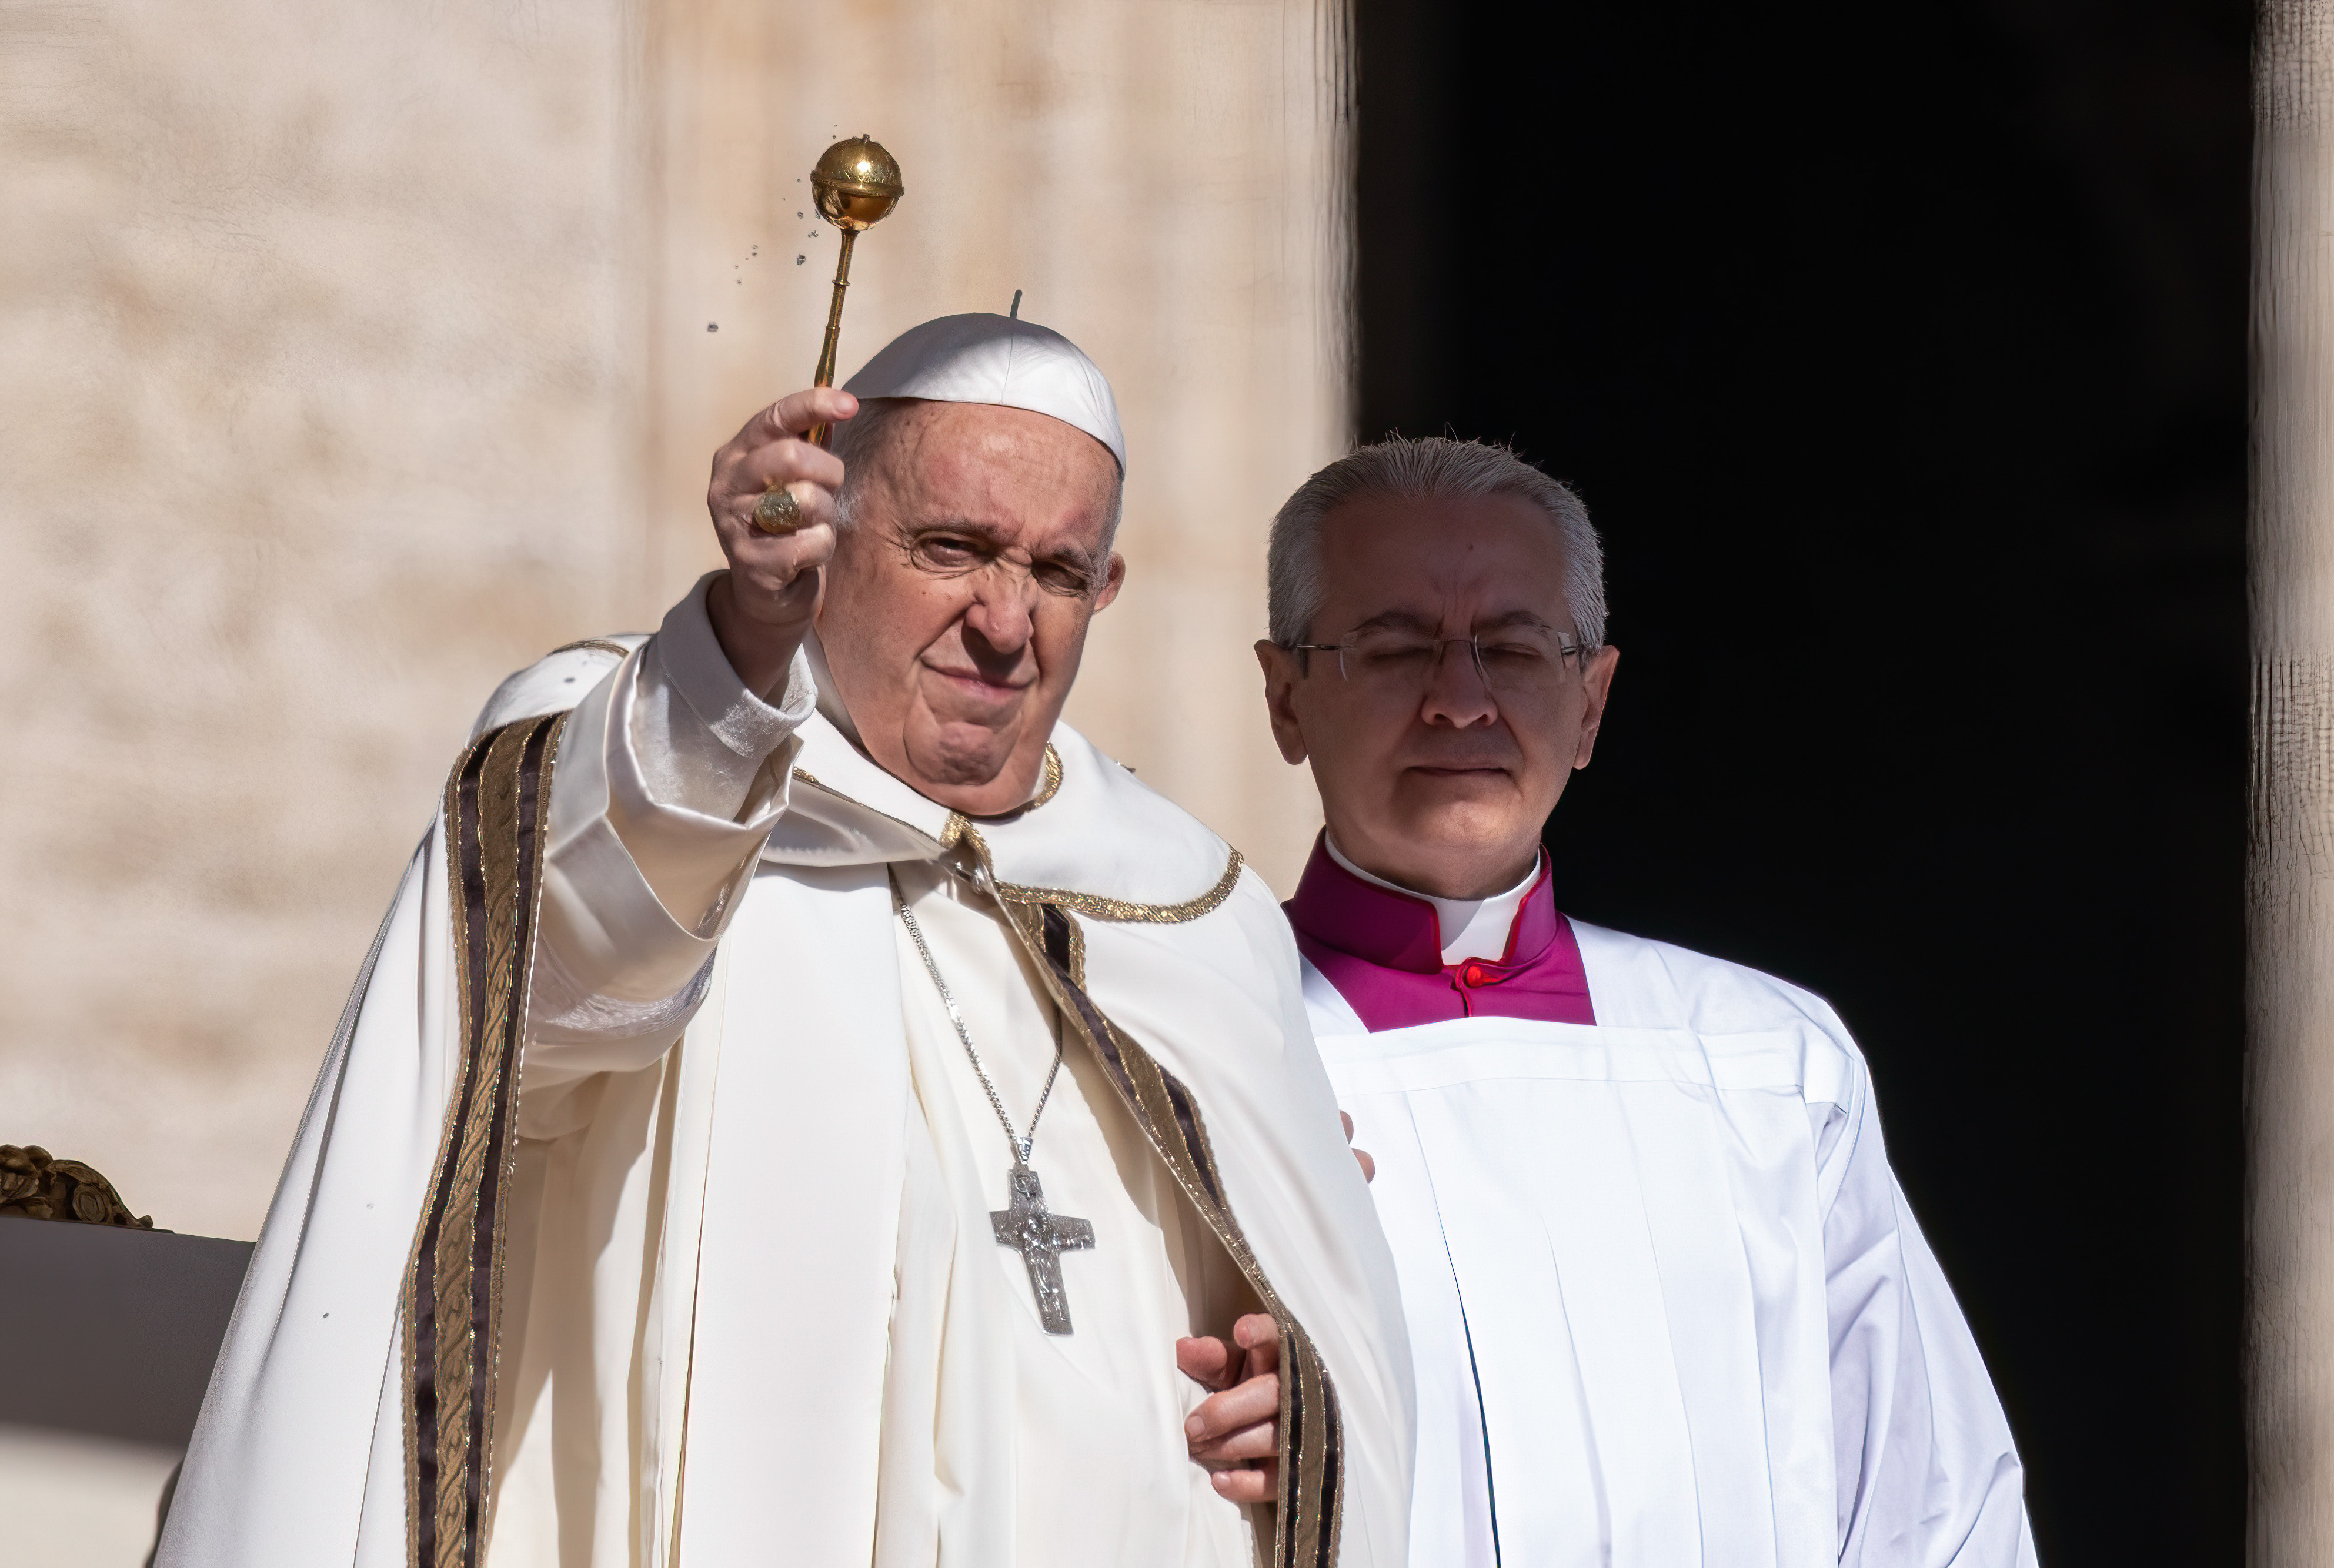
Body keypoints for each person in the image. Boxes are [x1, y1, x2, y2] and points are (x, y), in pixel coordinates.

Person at [159, 315, 1412, 1568]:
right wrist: (738, 655)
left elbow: (1325, 1319)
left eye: (1058, 570)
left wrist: (1305, 1413)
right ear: (825, 536)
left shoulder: (1192, 906)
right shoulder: (646, 759)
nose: (1004, 619)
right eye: (951, 548)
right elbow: (567, 978)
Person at [1183, 437, 2035, 1566]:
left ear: (1590, 704)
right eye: (1393, 651)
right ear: (1286, 698)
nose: (1458, 701)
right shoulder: (1186, 1055)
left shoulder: (1765, 1069)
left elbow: (1934, 1513)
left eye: (1511, 649)